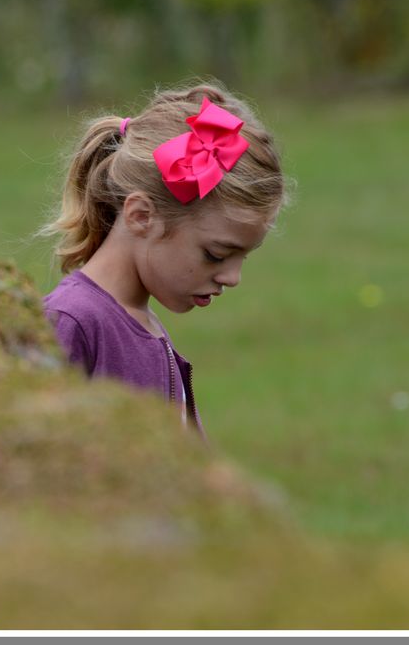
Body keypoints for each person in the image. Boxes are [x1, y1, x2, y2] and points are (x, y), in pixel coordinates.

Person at [38, 80, 288, 441]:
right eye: (215, 254)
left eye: (242, 257)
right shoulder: (74, 323)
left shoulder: (139, 321)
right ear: (141, 216)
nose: (233, 277)